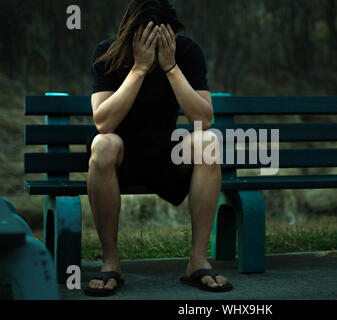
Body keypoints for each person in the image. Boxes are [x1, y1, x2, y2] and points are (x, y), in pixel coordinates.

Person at [84, 0, 232, 296]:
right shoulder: (107, 54)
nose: (155, 44)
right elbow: (104, 123)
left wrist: (171, 66)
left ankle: (197, 261)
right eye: (146, 37)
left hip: (165, 155)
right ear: (130, 33)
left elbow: (203, 119)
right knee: (103, 144)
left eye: (163, 36)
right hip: (121, 159)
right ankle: (111, 261)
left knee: (208, 140)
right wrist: (138, 69)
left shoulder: (185, 52)